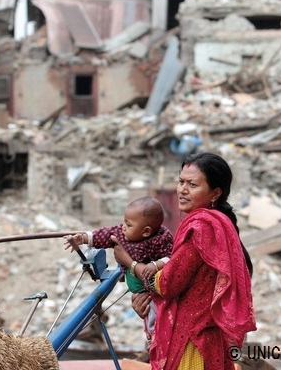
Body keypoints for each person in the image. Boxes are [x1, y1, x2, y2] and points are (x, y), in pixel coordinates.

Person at [112, 152, 256, 370]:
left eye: (192, 184)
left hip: (193, 341)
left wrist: (130, 263)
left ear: (215, 193)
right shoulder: (218, 225)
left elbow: (167, 284)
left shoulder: (202, 229)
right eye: (181, 182)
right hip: (207, 337)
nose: (182, 190)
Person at [63, 195, 173, 340]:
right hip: (138, 290)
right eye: (124, 222)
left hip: (154, 291)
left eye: (129, 225)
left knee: (155, 314)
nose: (123, 227)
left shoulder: (161, 239)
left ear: (146, 231)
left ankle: (157, 338)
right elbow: (104, 235)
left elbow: (170, 257)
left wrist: (155, 265)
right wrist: (82, 238)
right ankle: (153, 337)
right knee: (148, 317)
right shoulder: (122, 234)